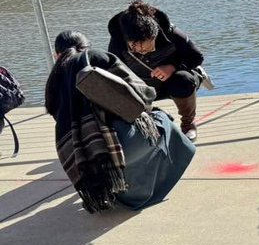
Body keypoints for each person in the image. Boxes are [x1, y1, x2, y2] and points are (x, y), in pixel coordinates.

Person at [45, 30, 195, 212]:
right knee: (162, 119)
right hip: (124, 146)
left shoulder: (54, 79)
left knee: (111, 147)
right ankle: (148, 189)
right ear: (86, 46)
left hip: (84, 159)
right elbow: (145, 95)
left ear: (56, 54)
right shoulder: (98, 57)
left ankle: (112, 190)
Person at [107, 0, 208, 141]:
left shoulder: (172, 33)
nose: (142, 52)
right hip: (142, 86)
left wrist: (172, 66)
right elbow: (114, 73)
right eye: (135, 48)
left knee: (183, 80)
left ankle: (188, 124)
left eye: (148, 47)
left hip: (172, 82)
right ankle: (143, 123)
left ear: (155, 35)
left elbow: (196, 57)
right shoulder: (117, 43)